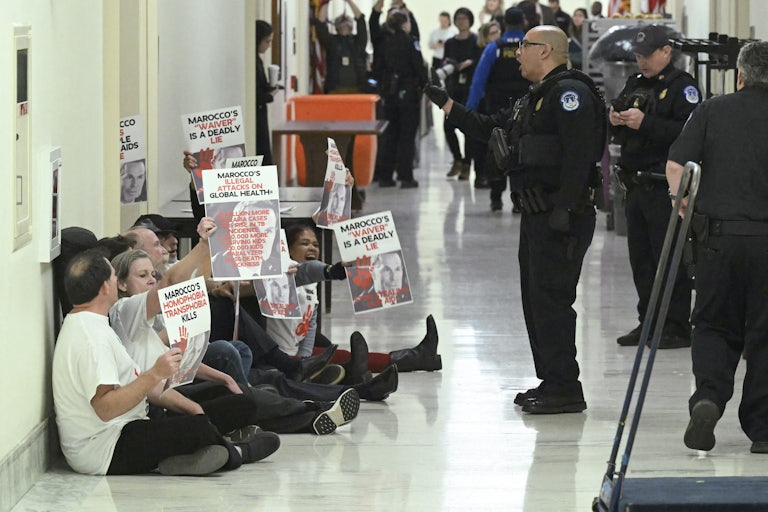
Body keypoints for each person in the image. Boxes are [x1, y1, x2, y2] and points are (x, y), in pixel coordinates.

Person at [425, 25, 606, 414]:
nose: (517, 52)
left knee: (553, 300)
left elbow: (579, 156)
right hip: (537, 213)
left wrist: (564, 208)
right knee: (536, 300)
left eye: (524, 46)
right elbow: (491, 128)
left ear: (547, 51)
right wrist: (448, 106)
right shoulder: (535, 98)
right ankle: (553, 379)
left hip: (562, 217)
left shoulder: (570, 94)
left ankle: (566, 387)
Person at [110, 226, 360, 436]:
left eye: (152, 275)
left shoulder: (145, 308)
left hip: (173, 385)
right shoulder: (125, 311)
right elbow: (170, 287)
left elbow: (181, 355)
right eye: (143, 276)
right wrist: (203, 244)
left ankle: (319, 409)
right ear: (120, 283)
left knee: (244, 387)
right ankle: (317, 407)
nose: (151, 280)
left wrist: (223, 378)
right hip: (161, 399)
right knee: (244, 392)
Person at [52, 248, 280, 476]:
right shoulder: (93, 339)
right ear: (105, 287)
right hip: (104, 448)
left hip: (123, 427)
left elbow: (138, 388)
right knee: (197, 428)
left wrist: (192, 408)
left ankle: (191, 455)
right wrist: (155, 373)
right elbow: (105, 409)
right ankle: (236, 452)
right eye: (113, 276)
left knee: (214, 411)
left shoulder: (91, 323)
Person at [665, 41, 768, 454]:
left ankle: (708, 396)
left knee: (712, 324)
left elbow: (677, 168)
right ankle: (763, 430)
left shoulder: (711, 110)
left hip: (719, 241)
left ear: (739, 76)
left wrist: (685, 209)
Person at [610, 25, 700, 349]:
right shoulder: (635, 83)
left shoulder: (683, 88)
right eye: (637, 56)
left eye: (647, 56)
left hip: (665, 188)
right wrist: (616, 117)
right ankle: (647, 321)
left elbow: (688, 135)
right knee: (642, 260)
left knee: (669, 257)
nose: (642, 62)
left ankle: (675, 325)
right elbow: (619, 111)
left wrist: (644, 123)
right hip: (636, 184)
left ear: (666, 52)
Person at [270, 224, 441, 383]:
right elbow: (307, 271)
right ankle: (414, 360)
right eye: (304, 243)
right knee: (344, 358)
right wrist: (333, 270)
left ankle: (416, 358)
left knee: (344, 356)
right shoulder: (281, 274)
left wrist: (305, 357)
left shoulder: (312, 284)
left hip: (297, 352)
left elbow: (311, 323)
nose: (312, 248)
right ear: (289, 250)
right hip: (282, 356)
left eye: (315, 244)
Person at [466, 7, 530, 208]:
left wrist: (470, 109)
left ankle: (495, 198)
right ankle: (519, 199)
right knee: (523, 151)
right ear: (524, 22)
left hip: (498, 108)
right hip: (526, 109)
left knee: (497, 149)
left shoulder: (494, 48)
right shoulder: (531, 47)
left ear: (505, 24)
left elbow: (478, 81)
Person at [371, 9, 427, 188]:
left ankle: (385, 176)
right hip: (408, 92)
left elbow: (377, 69)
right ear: (405, 24)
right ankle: (406, 176)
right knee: (407, 136)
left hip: (390, 93)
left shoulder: (384, 43)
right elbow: (419, 68)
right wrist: (427, 87)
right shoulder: (411, 42)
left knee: (390, 135)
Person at [442, 8, 481, 181]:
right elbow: (445, 61)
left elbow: (479, 63)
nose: (461, 21)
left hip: (470, 89)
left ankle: (467, 163)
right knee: (448, 125)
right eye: (458, 18)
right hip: (453, 87)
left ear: (470, 20)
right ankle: (457, 159)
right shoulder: (450, 42)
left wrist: (469, 63)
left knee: (468, 128)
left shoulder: (476, 41)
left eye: (464, 18)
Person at [208, 200, 281, 279]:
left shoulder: (280, 268)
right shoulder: (211, 269)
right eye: (252, 230)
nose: (261, 239)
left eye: (268, 231)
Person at [313, 0, 368, 94]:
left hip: (357, 89)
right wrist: (325, 2)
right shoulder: (331, 42)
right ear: (336, 27)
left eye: (347, 24)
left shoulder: (358, 42)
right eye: (341, 24)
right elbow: (320, 24)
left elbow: (361, 20)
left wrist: (349, 2)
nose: (344, 26)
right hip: (335, 89)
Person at [256, 20, 276, 165]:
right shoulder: (252, 61)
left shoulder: (258, 60)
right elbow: (254, 95)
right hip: (256, 114)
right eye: (267, 41)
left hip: (261, 112)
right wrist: (270, 96)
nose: (269, 46)